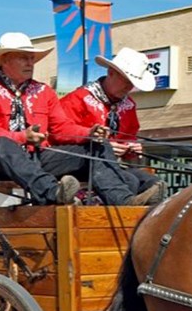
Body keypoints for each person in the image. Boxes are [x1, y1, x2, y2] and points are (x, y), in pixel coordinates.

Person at [0, 32, 156, 206]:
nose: (30, 63)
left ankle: (123, 200)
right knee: (3, 143)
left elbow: (60, 127)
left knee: (98, 145)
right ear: (5, 60)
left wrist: (88, 133)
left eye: (32, 58)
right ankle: (53, 192)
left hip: (37, 156)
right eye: (23, 58)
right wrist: (23, 137)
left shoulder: (44, 91)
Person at [58, 47, 166, 204]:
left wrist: (131, 148)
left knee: (151, 182)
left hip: (109, 167)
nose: (129, 87)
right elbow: (59, 134)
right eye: (126, 81)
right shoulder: (77, 99)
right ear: (111, 73)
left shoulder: (128, 106)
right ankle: (125, 209)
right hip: (79, 163)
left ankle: (149, 222)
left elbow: (128, 139)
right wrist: (104, 145)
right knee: (130, 180)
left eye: (133, 83)